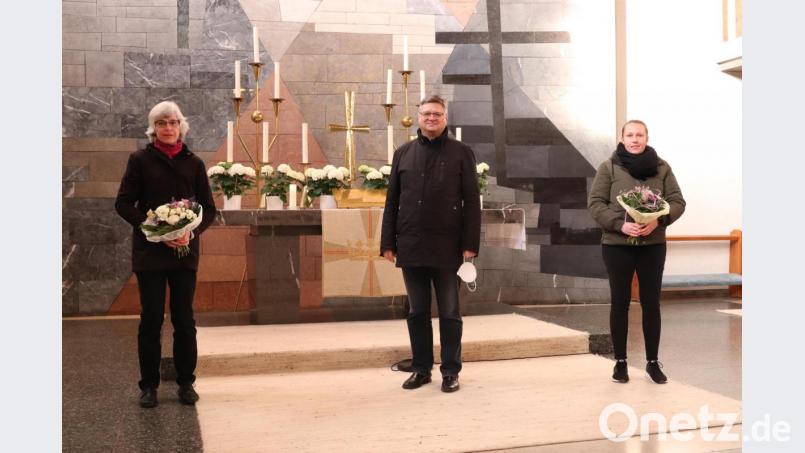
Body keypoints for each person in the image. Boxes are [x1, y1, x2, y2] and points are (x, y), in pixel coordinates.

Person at [115, 101, 216, 407]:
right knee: (151, 320)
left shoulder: (194, 163)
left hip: (185, 254)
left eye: (172, 122)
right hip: (150, 254)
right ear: (154, 128)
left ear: (181, 126)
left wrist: (189, 232)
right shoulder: (139, 160)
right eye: (162, 123)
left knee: (184, 319)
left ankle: (186, 383)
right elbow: (123, 203)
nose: (168, 128)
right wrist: (154, 228)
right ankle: (149, 386)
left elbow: (208, 209)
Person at [380, 95, 481, 393]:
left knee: (450, 312)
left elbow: (472, 203)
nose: (431, 118)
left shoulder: (462, 153)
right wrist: (388, 241)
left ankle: (451, 371)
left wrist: (470, 244)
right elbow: (392, 201)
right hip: (411, 245)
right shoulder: (403, 153)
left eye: (437, 114)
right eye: (426, 114)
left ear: (446, 118)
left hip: (449, 247)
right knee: (417, 312)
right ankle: (422, 368)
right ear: (418, 117)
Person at [588, 120, 685, 384]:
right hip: (617, 245)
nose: (634, 139)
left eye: (639, 135)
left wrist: (658, 221)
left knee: (651, 303)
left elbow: (677, 201)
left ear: (646, 137)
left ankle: (652, 363)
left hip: (652, 246)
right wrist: (620, 225)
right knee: (619, 302)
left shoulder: (662, 168)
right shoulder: (608, 167)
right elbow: (595, 204)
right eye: (629, 135)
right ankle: (620, 363)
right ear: (621, 138)